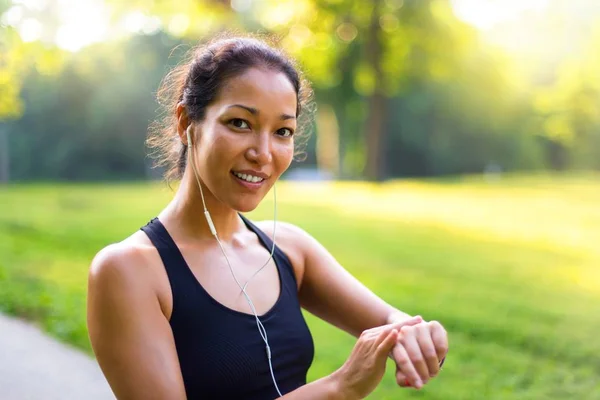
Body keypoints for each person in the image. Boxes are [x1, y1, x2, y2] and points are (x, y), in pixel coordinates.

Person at [86, 34, 449, 400]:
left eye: (282, 132)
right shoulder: (128, 271)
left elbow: (392, 322)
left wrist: (415, 333)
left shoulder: (290, 249)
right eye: (240, 123)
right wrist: (341, 387)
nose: (263, 153)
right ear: (186, 123)